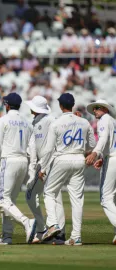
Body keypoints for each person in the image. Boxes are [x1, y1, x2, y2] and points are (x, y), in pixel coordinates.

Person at [39, 93, 96, 246]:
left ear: (60, 106)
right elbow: (92, 145)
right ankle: (76, 237)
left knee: (49, 192)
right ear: (72, 105)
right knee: (77, 200)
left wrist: (43, 168)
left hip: (61, 158)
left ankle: (53, 224)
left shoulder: (56, 123)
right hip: (79, 159)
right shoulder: (84, 122)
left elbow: (49, 149)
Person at [0, 93, 36, 245]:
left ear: (7, 105)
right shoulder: (27, 122)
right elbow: (31, 146)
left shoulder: (3, 120)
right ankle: (7, 236)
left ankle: (26, 222)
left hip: (9, 160)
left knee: (2, 199)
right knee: (10, 201)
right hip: (23, 161)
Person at [24, 96, 66, 244]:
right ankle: (58, 235)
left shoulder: (51, 119)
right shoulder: (35, 121)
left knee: (30, 194)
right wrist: (34, 165)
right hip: (45, 163)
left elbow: (51, 145)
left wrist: (42, 166)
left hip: (50, 163)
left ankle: (44, 229)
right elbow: (34, 146)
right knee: (55, 196)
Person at [85, 100, 116, 245]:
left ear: (104, 109)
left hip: (112, 159)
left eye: (97, 108)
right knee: (113, 197)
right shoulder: (113, 121)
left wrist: (96, 153)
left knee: (105, 198)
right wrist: (102, 158)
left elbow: (103, 139)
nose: (95, 111)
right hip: (112, 156)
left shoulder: (104, 120)